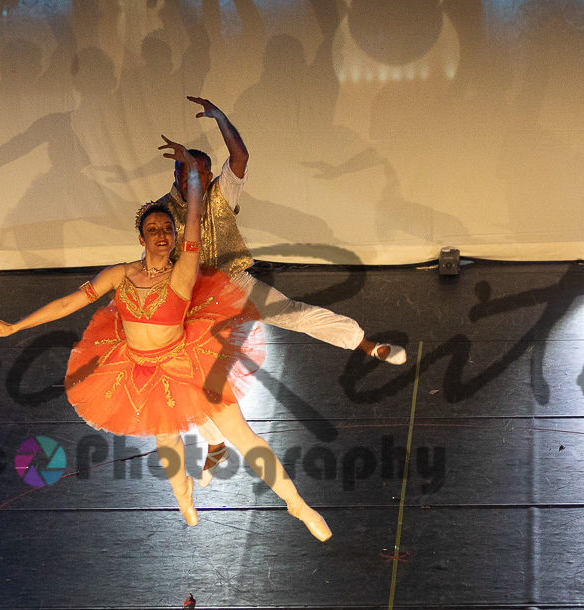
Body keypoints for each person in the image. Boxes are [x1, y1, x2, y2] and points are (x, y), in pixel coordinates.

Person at [0, 137, 331, 542]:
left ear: (175, 236)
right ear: (141, 237)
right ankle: (184, 496)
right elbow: (68, 302)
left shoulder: (182, 272)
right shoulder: (121, 274)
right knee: (166, 438)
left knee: (243, 436)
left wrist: (193, 176)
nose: (161, 234)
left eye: (167, 229)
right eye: (152, 229)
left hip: (188, 362)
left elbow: (194, 218)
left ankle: (297, 505)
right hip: (138, 368)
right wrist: (16, 326)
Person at [160, 96, 407, 485]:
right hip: (196, 301)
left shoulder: (221, 195)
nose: (196, 178)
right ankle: (214, 443)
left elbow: (240, 156)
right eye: (187, 171)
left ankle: (366, 344)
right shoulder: (161, 213)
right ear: (176, 173)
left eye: (201, 172)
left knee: (294, 314)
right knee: (185, 371)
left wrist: (220, 117)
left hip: (235, 283)